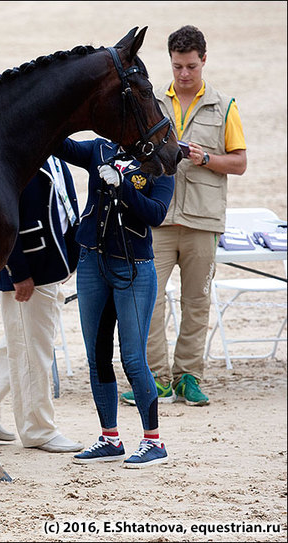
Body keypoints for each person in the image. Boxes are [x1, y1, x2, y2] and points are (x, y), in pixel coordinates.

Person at [123, 25, 247, 408]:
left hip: (201, 221)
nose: (184, 74)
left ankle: (189, 377)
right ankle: (157, 379)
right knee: (149, 301)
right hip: (157, 220)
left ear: (204, 61)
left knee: (197, 302)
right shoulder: (153, 101)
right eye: (177, 66)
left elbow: (240, 163)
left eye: (191, 66)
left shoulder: (225, 106)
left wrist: (205, 158)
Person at [56, 137, 174, 468]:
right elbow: (62, 146)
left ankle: (154, 441)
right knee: (97, 355)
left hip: (134, 266)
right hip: (93, 260)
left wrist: (123, 187)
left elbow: (156, 213)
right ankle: (110, 437)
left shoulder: (160, 163)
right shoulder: (99, 149)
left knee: (133, 358)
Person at [0, 156, 84, 453]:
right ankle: (38, 429)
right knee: (33, 349)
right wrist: (19, 273)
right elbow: (3, 217)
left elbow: (64, 209)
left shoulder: (56, 157)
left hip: (52, 264)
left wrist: (67, 260)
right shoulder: (19, 157)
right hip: (29, 272)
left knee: (20, 341)